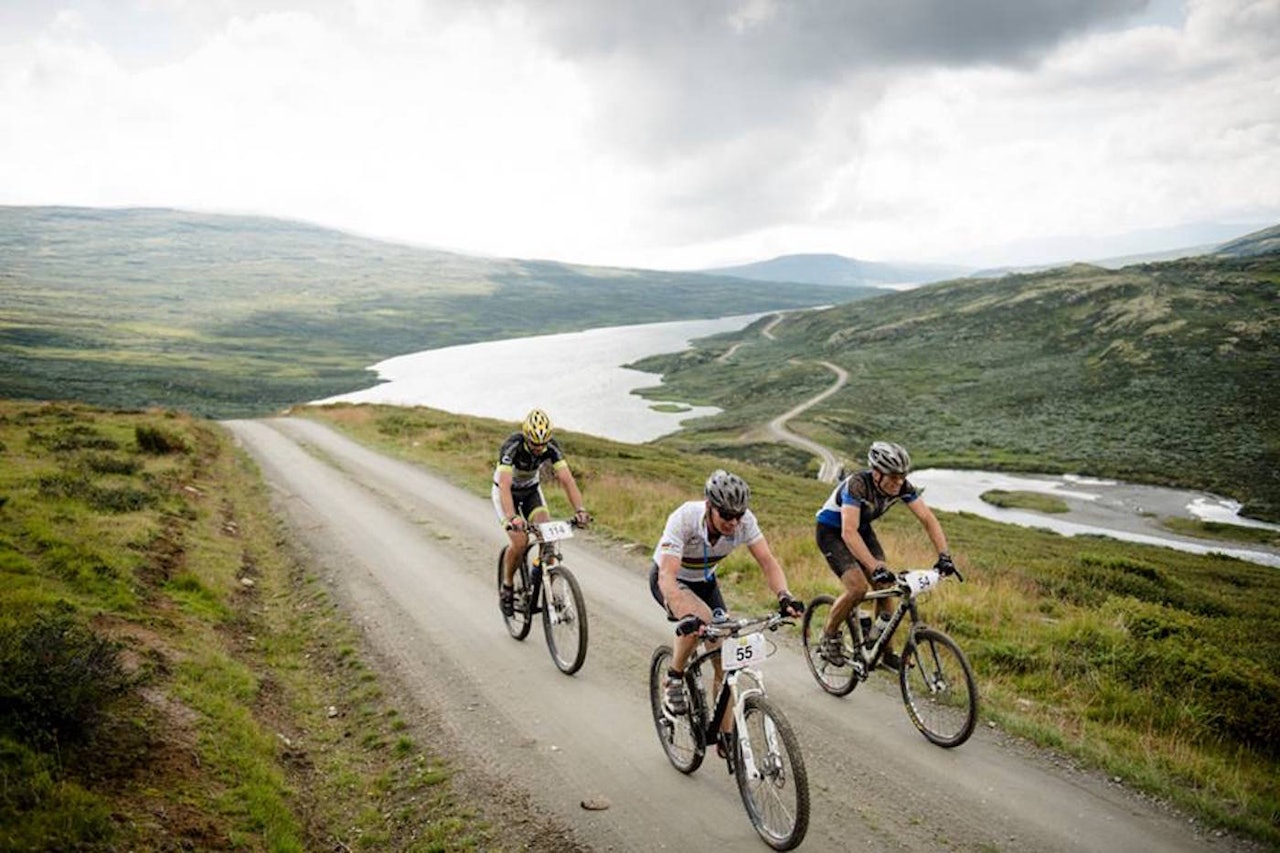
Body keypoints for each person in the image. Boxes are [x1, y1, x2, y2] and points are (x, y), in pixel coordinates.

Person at [650, 469, 804, 717]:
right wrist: (685, 614)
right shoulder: (685, 518)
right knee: (700, 618)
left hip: (705, 581)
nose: (733, 522)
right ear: (709, 506)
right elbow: (666, 575)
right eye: (726, 515)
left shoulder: (745, 523)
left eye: (738, 516)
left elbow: (767, 561)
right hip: (671, 581)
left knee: (726, 657)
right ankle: (674, 677)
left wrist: (784, 595)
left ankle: (728, 740)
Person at [814, 441, 955, 670]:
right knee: (858, 588)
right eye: (892, 477)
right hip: (832, 532)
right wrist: (873, 566)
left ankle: (882, 650)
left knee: (886, 585)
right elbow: (848, 533)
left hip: (862, 530)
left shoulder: (902, 486)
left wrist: (944, 556)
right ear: (876, 473)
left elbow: (927, 519)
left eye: (902, 476)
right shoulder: (857, 485)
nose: (897, 483)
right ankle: (829, 635)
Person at [494, 408, 590, 617]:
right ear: (526, 437)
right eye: (534, 444)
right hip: (506, 493)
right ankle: (508, 586)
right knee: (519, 542)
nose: (539, 449)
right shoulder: (512, 446)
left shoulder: (551, 447)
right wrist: (512, 517)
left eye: (543, 444)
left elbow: (567, 479)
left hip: (531, 492)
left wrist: (580, 510)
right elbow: (504, 484)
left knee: (547, 536)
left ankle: (540, 574)